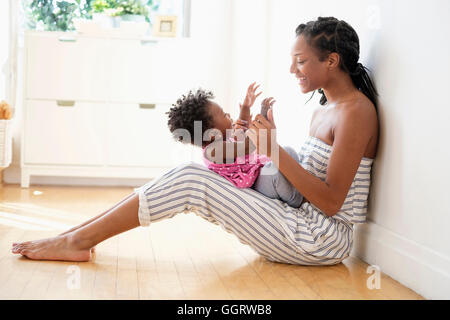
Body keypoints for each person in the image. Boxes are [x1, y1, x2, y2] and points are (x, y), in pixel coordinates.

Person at [11, 16, 378, 265]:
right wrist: (268, 148)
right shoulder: (325, 108)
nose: (291, 70)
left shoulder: (356, 113)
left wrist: (273, 151)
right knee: (190, 172)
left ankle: (77, 241)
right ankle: (76, 235)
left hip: (319, 238)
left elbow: (331, 202)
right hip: (297, 218)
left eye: (300, 61)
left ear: (331, 61)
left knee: (190, 176)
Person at [166, 85, 304, 207]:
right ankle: (297, 200)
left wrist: (246, 107)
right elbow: (247, 147)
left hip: (258, 176)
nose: (228, 114)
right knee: (279, 165)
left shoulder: (224, 139)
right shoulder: (213, 151)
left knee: (287, 153)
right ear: (212, 132)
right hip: (258, 186)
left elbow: (241, 124)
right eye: (223, 114)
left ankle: (297, 190)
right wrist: (262, 120)